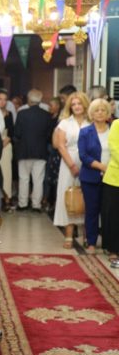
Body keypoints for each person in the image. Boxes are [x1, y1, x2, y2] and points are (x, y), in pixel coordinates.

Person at [53, 92, 90, 248]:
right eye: (73, 104)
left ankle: (87, 236)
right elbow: (61, 146)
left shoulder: (91, 121)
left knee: (87, 197)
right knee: (69, 196)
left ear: (85, 104)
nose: (76, 107)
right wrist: (72, 166)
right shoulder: (65, 123)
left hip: (89, 162)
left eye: (79, 103)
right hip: (69, 161)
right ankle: (68, 235)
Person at [78, 99, 111, 254]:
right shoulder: (85, 132)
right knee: (92, 211)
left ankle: (108, 244)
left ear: (108, 113)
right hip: (90, 177)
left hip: (111, 178)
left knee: (109, 212)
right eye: (97, 110)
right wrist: (101, 167)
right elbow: (83, 156)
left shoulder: (114, 130)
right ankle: (91, 242)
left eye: (103, 110)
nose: (100, 113)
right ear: (91, 113)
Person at [13, 89, 53, 211]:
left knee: (23, 179)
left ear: (29, 100)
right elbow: (49, 135)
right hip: (41, 152)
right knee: (38, 180)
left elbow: (17, 133)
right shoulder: (47, 115)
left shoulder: (21, 114)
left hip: (24, 151)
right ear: (40, 100)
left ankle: (23, 204)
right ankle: (36, 205)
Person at [0, 88, 15, 209]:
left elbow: (12, 132)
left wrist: (4, 143)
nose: (2, 102)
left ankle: (7, 198)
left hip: (6, 145)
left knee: (7, 172)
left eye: (5, 99)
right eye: (0, 99)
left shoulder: (9, 114)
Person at [102, 119, 119, 267]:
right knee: (114, 216)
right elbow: (114, 148)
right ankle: (113, 249)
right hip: (115, 179)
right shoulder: (116, 124)